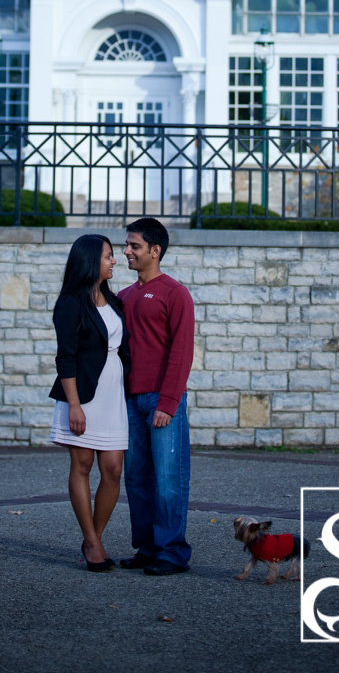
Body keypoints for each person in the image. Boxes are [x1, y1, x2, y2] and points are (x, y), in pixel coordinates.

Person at [118, 217, 195, 576]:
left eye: (134, 246)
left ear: (155, 250)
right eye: (127, 245)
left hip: (162, 402)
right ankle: (148, 547)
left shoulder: (175, 293)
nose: (127, 251)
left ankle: (173, 552)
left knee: (168, 480)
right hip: (129, 402)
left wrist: (168, 403)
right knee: (136, 478)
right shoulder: (123, 297)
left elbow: (182, 352)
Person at [49, 234, 131, 572]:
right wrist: (74, 405)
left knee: (112, 470)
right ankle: (94, 545)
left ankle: (91, 539)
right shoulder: (70, 303)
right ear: (89, 261)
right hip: (81, 395)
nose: (114, 261)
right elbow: (65, 358)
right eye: (109, 256)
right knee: (82, 466)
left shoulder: (115, 303)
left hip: (113, 394)